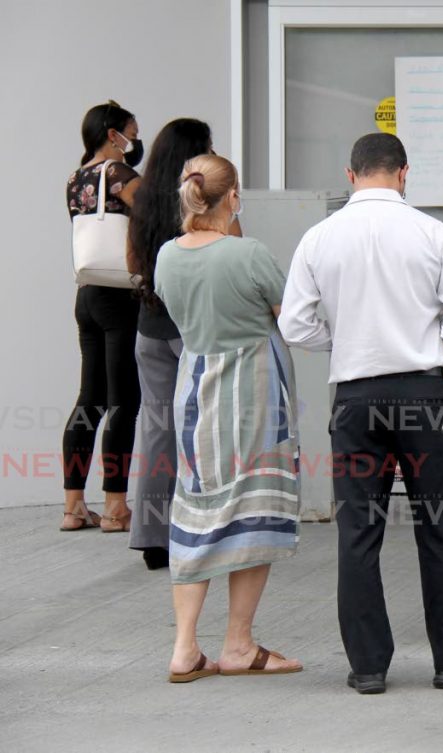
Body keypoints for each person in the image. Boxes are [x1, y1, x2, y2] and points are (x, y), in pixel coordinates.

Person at [279, 133, 443, 695]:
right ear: (404, 173)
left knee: (358, 532)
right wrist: (437, 352)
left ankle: (368, 666)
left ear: (350, 175)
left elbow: (294, 324)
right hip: (425, 394)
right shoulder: (433, 234)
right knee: (441, 527)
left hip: (355, 398)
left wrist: (345, 339)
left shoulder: (319, 237)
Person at [155, 154, 302, 682]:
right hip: (252, 392)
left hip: (195, 388)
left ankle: (184, 647)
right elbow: (291, 313)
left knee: (196, 512)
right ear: (233, 197)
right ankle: (238, 642)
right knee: (252, 511)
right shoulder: (249, 253)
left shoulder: (167, 256)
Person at [126, 118, 242, 570]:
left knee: (157, 430)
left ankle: (154, 537)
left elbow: (132, 263)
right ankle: (208, 530)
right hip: (198, 327)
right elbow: (231, 258)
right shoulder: (208, 204)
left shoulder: (142, 198)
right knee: (208, 426)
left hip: (150, 325)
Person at [61, 101, 143, 533]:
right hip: (119, 295)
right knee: (123, 403)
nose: (135, 138)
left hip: (87, 294)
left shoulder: (76, 178)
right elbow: (151, 216)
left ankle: (73, 505)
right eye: (131, 130)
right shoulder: (119, 175)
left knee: (88, 400)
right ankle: (115, 507)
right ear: (114, 135)